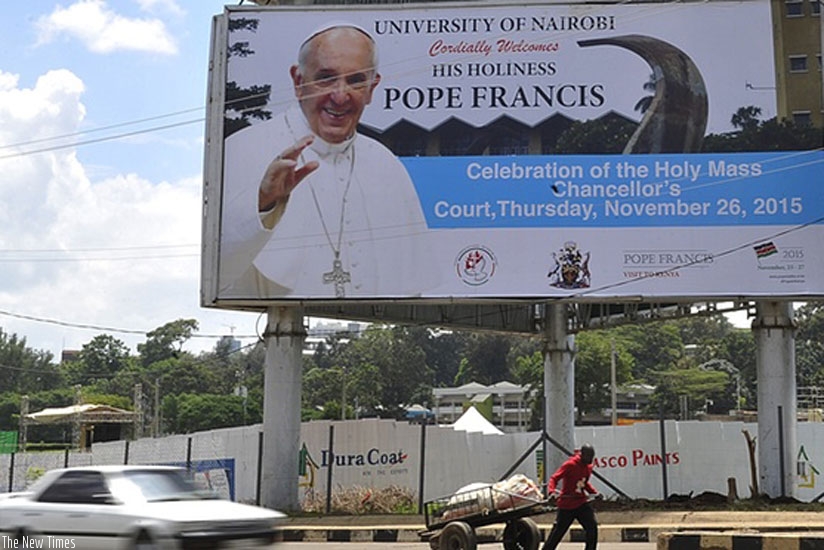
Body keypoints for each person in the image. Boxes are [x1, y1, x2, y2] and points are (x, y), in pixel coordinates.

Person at [219, 24, 434, 299]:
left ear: (372, 87)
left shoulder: (386, 164)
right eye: (326, 78)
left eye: (356, 80)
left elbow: (411, 288)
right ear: (298, 81)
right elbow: (219, 270)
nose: (340, 96)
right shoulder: (242, 148)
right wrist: (263, 203)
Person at [542, 444, 599, 550]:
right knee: (556, 535)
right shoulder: (570, 465)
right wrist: (552, 492)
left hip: (581, 503)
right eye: (588, 456)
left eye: (592, 456)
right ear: (582, 455)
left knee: (592, 528)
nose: (590, 459)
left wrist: (595, 493)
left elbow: (583, 483)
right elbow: (554, 478)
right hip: (567, 505)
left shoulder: (588, 467)